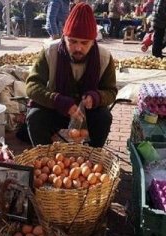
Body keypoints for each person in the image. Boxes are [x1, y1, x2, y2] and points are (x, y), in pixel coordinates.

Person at [26, 3, 117, 148]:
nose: (78, 48)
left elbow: (111, 91)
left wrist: (96, 97)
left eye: (84, 43)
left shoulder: (104, 57)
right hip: (56, 109)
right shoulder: (50, 51)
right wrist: (57, 100)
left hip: (86, 113)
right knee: (35, 116)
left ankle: (92, 157)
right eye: (72, 41)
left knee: (104, 117)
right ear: (64, 36)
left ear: (93, 42)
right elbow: (32, 86)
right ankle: (45, 158)